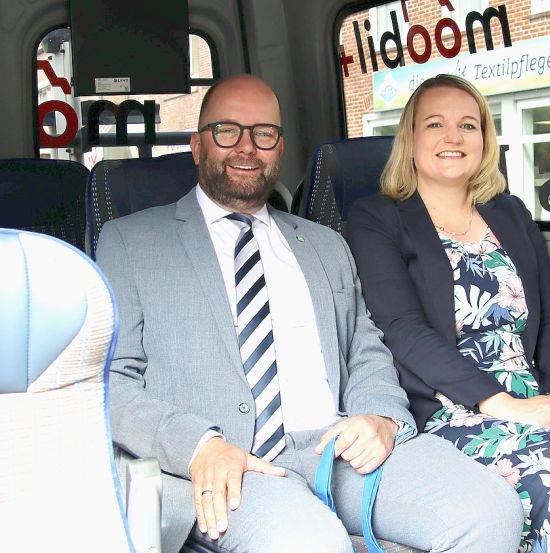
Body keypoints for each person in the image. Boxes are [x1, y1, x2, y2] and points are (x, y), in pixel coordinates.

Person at [97, 74, 523, 553]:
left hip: (338, 450)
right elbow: (110, 382)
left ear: (279, 150)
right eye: (226, 131)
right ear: (197, 146)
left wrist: (380, 416)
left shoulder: (325, 243)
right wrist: (198, 446)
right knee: (313, 544)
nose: (246, 147)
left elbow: (366, 350)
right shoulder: (130, 242)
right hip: (230, 465)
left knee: (491, 510)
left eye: (263, 134)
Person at [346, 74, 550, 552]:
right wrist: (504, 405)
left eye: (469, 125)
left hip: (535, 399)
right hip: (450, 409)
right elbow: (401, 330)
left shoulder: (510, 212)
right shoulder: (375, 218)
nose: (453, 137)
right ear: (410, 139)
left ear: (485, 141)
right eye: (435, 124)